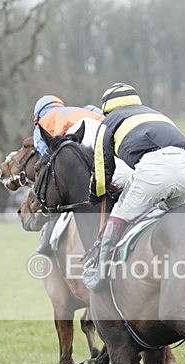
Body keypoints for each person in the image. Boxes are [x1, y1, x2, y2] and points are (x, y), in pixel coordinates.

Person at [83, 82, 185, 293]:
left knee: (119, 214)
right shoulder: (156, 114)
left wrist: (95, 194)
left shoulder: (108, 122)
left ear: (107, 108)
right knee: (174, 221)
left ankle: (100, 273)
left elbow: (101, 168)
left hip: (153, 169)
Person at [32, 95, 104, 255]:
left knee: (56, 190)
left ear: (37, 116)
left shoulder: (43, 124)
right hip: (106, 135)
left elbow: (48, 162)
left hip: (79, 149)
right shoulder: (80, 111)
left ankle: (46, 241)